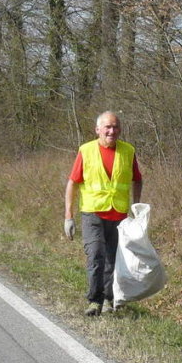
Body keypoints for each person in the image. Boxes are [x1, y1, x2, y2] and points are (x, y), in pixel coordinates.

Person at [64, 111, 143, 316]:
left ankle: (108, 299)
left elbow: (137, 179)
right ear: (97, 129)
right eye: (107, 127)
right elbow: (73, 182)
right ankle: (94, 301)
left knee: (113, 259)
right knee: (96, 255)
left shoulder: (128, 151)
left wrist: (137, 208)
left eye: (115, 127)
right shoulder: (86, 150)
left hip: (118, 214)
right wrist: (68, 217)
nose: (111, 131)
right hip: (93, 213)